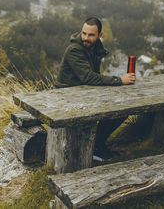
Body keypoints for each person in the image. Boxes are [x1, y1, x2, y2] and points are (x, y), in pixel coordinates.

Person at [55, 17, 136, 160]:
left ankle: (97, 144)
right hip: (66, 95)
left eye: (91, 35)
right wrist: (119, 80)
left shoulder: (95, 48)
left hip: (84, 92)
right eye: (84, 33)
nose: (86, 38)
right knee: (115, 109)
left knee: (122, 107)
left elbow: (93, 77)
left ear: (99, 36)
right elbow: (89, 77)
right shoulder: (74, 50)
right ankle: (95, 147)